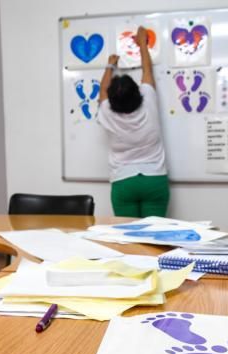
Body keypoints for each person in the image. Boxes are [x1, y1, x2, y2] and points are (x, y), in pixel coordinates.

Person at [98, 26, 169, 217]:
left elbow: (102, 90)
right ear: (138, 91)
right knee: (155, 240)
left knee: (128, 240)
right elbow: (148, 71)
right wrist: (143, 43)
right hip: (154, 179)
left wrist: (110, 65)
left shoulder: (107, 112)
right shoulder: (149, 101)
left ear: (111, 99)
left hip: (123, 181)